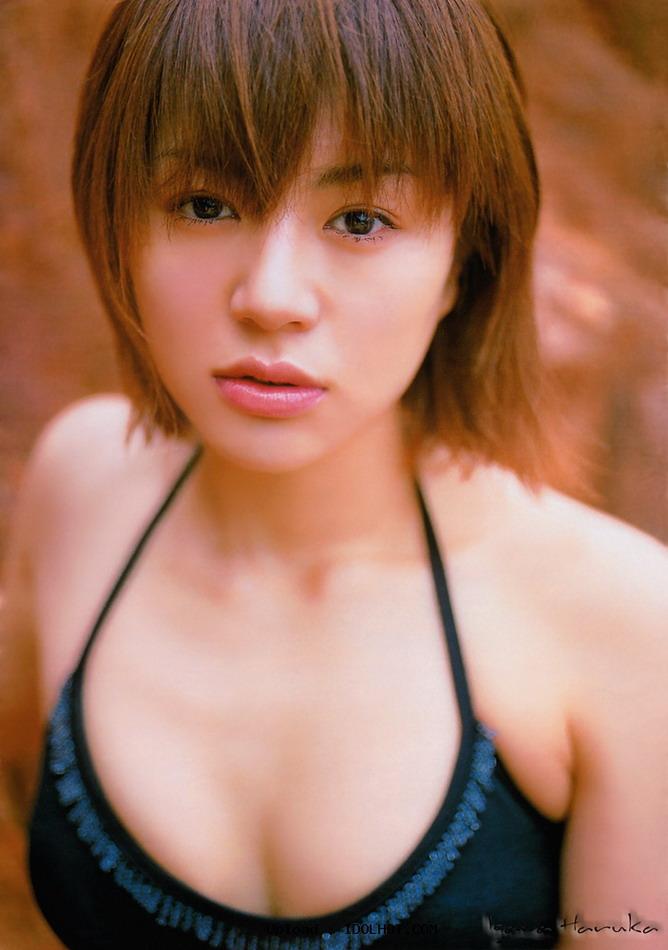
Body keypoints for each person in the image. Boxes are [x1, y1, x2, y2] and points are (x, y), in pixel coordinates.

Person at [1, 0, 666, 947]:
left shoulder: (625, 619)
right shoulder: (82, 487)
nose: (271, 297)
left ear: (465, 265)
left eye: (361, 220)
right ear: (117, 221)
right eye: (205, 204)